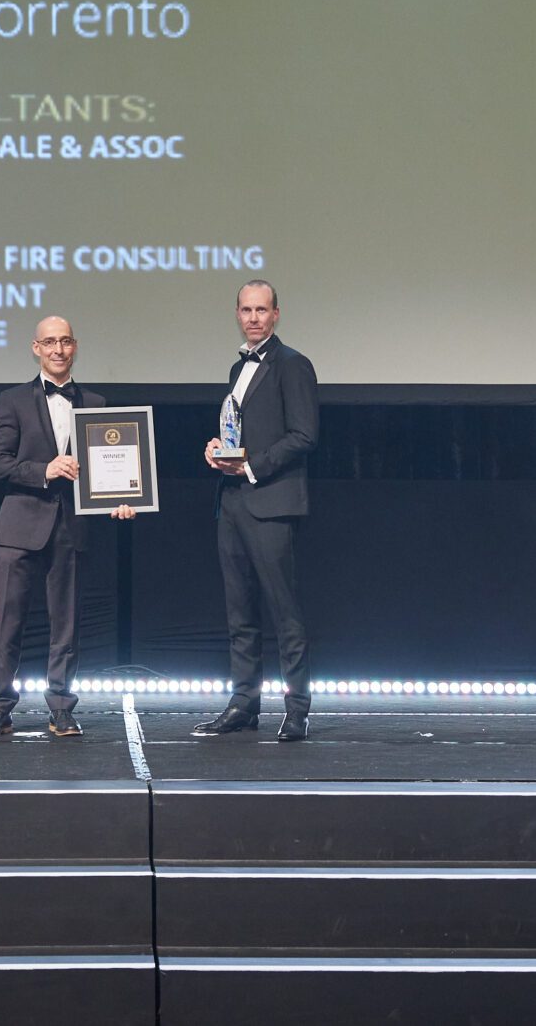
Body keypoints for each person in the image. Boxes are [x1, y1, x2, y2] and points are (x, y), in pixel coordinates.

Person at [0, 315, 133, 739]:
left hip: (71, 527)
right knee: (7, 624)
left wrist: (121, 500)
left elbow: (105, 471)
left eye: (65, 341)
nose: (58, 350)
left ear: (74, 346)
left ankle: (61, 708)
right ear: (36, 348)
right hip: (19, 526)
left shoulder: (96, 403)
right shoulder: (13, 400)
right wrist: (43, 470)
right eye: (50, 342)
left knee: (67, 626)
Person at [196, 279, 318, 742]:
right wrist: (219, 450)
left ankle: (297, 709)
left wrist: (251, 466)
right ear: (237, 314)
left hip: (271, 501)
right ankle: (244, 704)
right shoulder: (237, 367)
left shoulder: (293, 364)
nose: (253, 318)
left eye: (261, 310)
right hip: (232, 501)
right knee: (239, 613)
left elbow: (304, 435)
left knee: (284, 612)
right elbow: (239, 433)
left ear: (276, 314)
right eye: (246, 310)